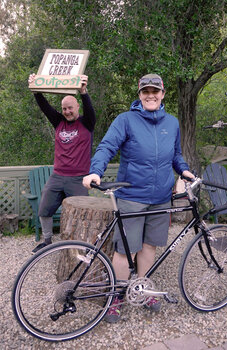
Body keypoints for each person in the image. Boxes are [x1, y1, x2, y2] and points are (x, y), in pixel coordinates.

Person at [82, 73, 194, 323]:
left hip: (161, 197)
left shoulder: (172, 123)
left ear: (163, 94)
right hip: (132, 195)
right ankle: (117, 296)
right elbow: (107, 146)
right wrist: (95, 171)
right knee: (125, 250)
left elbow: (176, 155)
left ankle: (141, 289)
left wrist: (184, 171)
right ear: (140, 95)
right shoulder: (126, 120)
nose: (151, 95)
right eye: (146, 92)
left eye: (155, 91)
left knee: (149, 245)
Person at [28, 74, 96, 253]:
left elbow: (89, 109)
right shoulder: (58, 122)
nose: (67, 112)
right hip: (57, 176)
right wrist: (36, 90)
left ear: (77, 107)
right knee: (44, 209)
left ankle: (82, 246)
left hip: (79, 178)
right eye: (64, 109)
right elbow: (45, 107)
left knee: (83, 214)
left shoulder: (87, 123)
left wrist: (83, 92)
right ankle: (47, 240)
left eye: (70, 108)